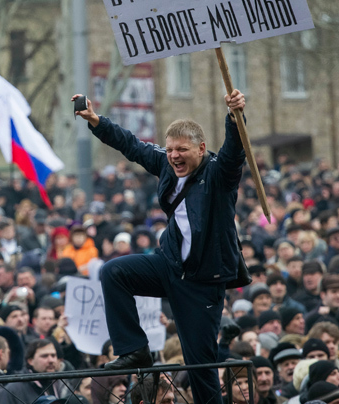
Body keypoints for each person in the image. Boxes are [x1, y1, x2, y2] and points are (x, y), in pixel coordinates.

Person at [72, 89, 247, 404]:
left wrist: (235, 115)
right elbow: (132, 146)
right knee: (114, 273)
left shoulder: (220, 175)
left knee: (201, 367)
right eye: (169, 150)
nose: (174, 156)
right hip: (170, 266)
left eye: (182, 149)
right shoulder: (166, 165)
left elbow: (235, 152)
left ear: (201, 149)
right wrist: (97, 121)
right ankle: (135, 351)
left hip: (202, 283)